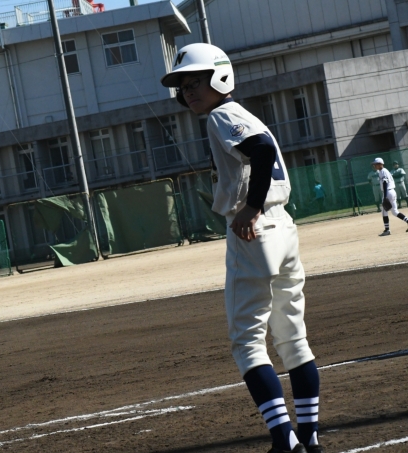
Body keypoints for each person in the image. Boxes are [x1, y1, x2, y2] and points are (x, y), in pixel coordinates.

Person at [161, 43, 322, 453]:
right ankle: (309, 436)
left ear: (219, 77)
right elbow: (263, 147)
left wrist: (250, 208)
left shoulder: (222, 114)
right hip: (283, 227)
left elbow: (262, 151)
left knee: (248, 342)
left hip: (256, 231)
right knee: (292, 337)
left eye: (195, 82)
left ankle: (284, 441)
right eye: (183, 86)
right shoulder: (244, 113)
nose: (188, 92)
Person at [372, 157, 408, 236]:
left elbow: (385, 183)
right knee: (395, 212)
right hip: (391, 191)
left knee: (384, 212)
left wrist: (385, 196)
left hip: (388, 192)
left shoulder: (383, 171)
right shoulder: (383, 171)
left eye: (376, 164)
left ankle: (387, 230)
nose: (374, 165)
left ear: (381, 164)